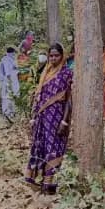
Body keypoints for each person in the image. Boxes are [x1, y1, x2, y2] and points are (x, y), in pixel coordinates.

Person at [24, 43, 73, 194]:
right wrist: (33, 117)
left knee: (54, 148)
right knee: (42, 147)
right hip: (42, 118)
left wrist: (64, 121)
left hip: (57, 118)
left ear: (62, 56)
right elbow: (39, 96)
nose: (53, 58)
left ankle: (49, 185)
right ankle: (39, 181)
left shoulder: (67, 74)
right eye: (51, 56)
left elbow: (69, 99)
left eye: (56, 55)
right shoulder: (45, 73)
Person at [0, 47, 20, 121]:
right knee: (6, 97)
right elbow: (7, 73)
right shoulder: (5, 59)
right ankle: (7, 113)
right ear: (11, 52)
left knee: (13, 96)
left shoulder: (13, 59)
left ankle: (13, 112)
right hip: (7, 81)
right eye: (13, 53)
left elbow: (16, 70)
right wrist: (10, 83)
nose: (14, 54)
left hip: (13, 80)